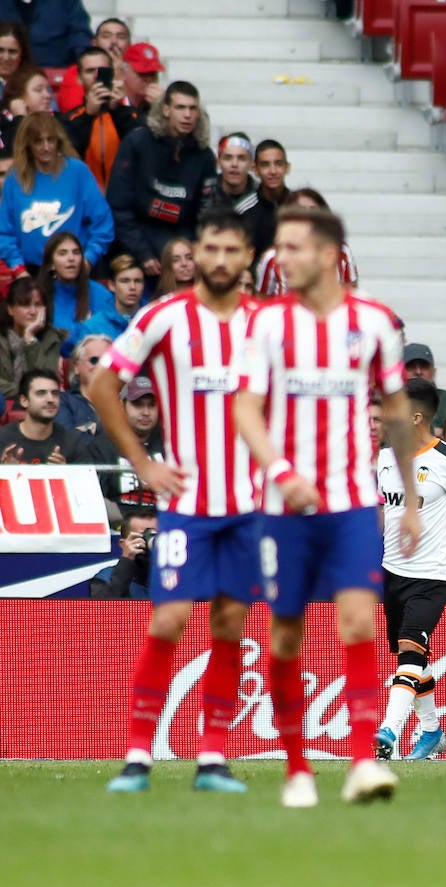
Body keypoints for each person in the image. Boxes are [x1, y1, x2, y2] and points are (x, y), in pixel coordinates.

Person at [234, 206, 422, 806]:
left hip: (352, 502)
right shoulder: (266, 324)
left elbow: (394, 413)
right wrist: (281, 472)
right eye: (277, 248)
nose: (277, 259)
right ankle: (296, 768)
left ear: (325, 252)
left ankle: (364, 760)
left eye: (290, 248)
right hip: (283, 505)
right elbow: (244, 408)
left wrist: (412, 501)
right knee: (286, 634)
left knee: (360, 624)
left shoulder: (373, 323)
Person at [91, 210, 262, 796]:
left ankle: (212, 757)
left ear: (246, 258)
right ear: (193, 256)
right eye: (207, 248)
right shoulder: (163, 316)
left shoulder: (268, 323)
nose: (218, 259)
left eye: (229, 249)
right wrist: (141, 462)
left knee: (230, 627)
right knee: (167, 620)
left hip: (249, 506)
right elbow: (101, 384)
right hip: (188, 505)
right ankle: (138, 755)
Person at [374, 378, 446, 762]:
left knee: (410, 648)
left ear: (416, 416)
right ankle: (432, 729)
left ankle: (388, 729)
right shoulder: (385, 457)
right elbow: (381, 510)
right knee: (411, 655)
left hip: (432, 574)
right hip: (392, 571)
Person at [106, 81, 218, 280]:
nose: (187, 115)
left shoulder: (205, 156)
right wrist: (143, 253)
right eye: (180, 107)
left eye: (193, 108)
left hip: (182, 253)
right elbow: (119, 206)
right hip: (136, 248)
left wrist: (187, 256)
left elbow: (205, 215)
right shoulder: (137, 143)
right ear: (165, 110)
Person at [0, 111, 113, 275]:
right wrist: (19, 269)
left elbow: (102, 223)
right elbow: (4, 231)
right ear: (28, 145)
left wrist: (88, 260)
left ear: (58, 140)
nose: (46, 147)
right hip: (31, 273)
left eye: (50, 140)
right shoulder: (14, 178)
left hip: (75, 271)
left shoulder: (77, 172)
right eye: (38, 141)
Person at [57, 45, 142, 191]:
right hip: (83, 200)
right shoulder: (68, 120)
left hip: (122, 202)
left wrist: (118, 112)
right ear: (79, 78)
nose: (96, 76)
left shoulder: (131, 115)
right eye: (90, 71)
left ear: (113, 74)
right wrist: (88, 116)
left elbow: (141, 151)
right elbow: (66, 155)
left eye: (102, 70)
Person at [88, 375, 165, 524]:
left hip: (165, 525)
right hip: (119, 529)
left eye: (152, 405)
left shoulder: (169, 445)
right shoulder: (101, 446)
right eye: (138, 405)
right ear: (121, 406)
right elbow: (95, 500)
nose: (146, 412)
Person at [254, 189, 360, 297]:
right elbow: (262, 299)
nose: (307, 216)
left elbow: (350, 291)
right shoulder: (272, 257)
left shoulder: (341, 251)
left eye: (313, 210)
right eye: (300, 211)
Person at [41, 231, 124, 355]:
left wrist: (77, 331)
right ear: (51, 264)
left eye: (76, 252)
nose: (71, 258)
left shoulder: (100, 293)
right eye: (62, 253)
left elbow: (112, 337)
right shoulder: (40, 295)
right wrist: (88, 326)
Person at [207, 133, 275, 258]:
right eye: (228, 158)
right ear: (218, 162)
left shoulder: (263, 197)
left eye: (241, 158)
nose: (234, 164)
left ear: (251, 164)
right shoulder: (204, 192)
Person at [0, 367, 88, 463]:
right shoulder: (2, 439)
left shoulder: (72, 442)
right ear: (24, 400)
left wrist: (64, 474)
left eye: (55, 393)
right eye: (41, 393)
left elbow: (87, 478)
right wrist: (6, 473)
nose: (50, 399)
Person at [0, 276, 61, 407]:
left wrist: (30, 340)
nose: (32, 311)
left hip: (41, 406)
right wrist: (26, 392)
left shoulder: (51, 339)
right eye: (25, 305)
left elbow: (46, 382)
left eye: (38, 305)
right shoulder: (1, 338)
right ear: (10, 309)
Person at [402, 343, 446, 432]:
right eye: (411, 366)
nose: (418, 371)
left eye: (424, 366)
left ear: (434, 371)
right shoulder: (388, 404)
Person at [89, 508, 156, 600]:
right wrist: (127, 559)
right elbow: (103, 611)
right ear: (123, 544)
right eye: (143, 536)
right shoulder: (107, 577)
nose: (150, 541)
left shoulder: (172, 577)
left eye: (155, 536)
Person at [0, 0, 90, 68]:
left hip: (56, 71)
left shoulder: (66, 3)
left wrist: (83, 65)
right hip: (7, 73)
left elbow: (80, 36)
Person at [54, 333, 109, 438]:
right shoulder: (62, 401)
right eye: (94, 360)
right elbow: (68, 440)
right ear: (76, 367)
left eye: (106, 361)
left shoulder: (125, 401)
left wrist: (91, 428)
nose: (100, 366)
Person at [253, 140, 292, 214]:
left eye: (278, 164)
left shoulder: (299, 205)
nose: (273, 171)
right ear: (255, 170)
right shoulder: (244, 211)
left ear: (287, 167)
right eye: (265, 165)